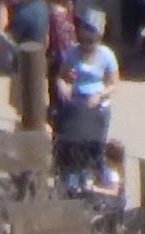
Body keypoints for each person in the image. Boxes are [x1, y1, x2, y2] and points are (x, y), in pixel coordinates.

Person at [54, 10, 119, 152]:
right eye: (83, 40)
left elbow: (114, 84)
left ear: (99, 39)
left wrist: (100, 95)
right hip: (76, 103)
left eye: (90, 42)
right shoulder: (72, 52)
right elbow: (61, 76)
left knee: (95, 146)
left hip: (98, 105)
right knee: (72, 144)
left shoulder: (107, 55)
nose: (86, 45)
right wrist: (63, 86)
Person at [44, 0, 76, 115]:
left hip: (57, 52)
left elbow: (52, 38)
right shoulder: (67, 11)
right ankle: (61, 106)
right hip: (68, 50)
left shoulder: (53, 14)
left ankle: (55, 107)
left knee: (54, 80)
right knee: (64, 80)